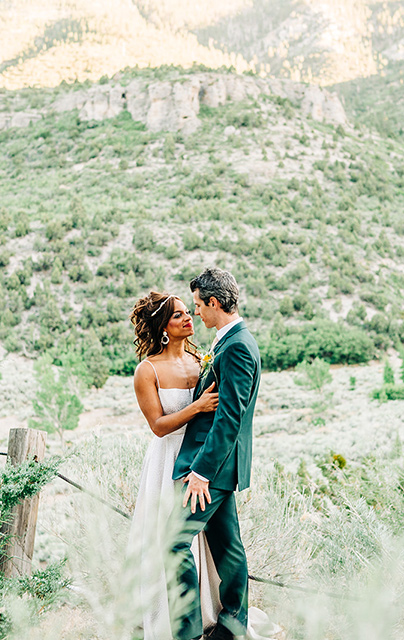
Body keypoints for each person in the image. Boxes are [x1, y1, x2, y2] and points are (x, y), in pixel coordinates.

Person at [172, 268, 261, 640]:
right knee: (228, 547)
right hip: (219, 467)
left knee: (174, 543)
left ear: (214, 302)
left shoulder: (237, 345)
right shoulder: (229, 341)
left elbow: (230, 417)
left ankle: (188, 632)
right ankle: (231, 628)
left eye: (199, 306)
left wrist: (202, 471)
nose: (197, 314)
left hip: (214, 468)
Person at [129, 291, 221, 640]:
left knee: (198, 537)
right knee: (165, 536)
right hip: (166, 459)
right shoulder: (147, 370)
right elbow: (158, 425)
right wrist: (196, 408)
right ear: (164, 327)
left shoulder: (201, 363)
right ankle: (169, 619)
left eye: (189, 312)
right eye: (179, 315)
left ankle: (205, 613)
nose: (189, 318)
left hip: (199, 460)